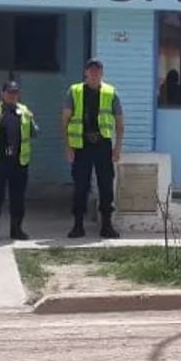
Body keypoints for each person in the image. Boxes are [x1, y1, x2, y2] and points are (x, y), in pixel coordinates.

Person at [62, 58, 124, 239]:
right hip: (81, 146)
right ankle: (78, 226)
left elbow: (120, 122)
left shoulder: (111, 93)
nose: (94, 74)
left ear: (102, 73)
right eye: (91, 70)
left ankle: (106, 225)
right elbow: (64, 121)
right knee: (80, 185)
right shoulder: (74, 92)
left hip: (103, 145)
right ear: (85, 72)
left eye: (98, 71)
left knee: (106, 186)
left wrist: (118, 147)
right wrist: (68, 147)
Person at [0, 81, 39, 242]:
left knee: (18, 197)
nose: (12, 96)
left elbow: (35, 132)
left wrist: (31, 120)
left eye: (15, 93)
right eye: (9, 93)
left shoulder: (23, 111)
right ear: (2, 94)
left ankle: (17, 229)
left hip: (18, 162)